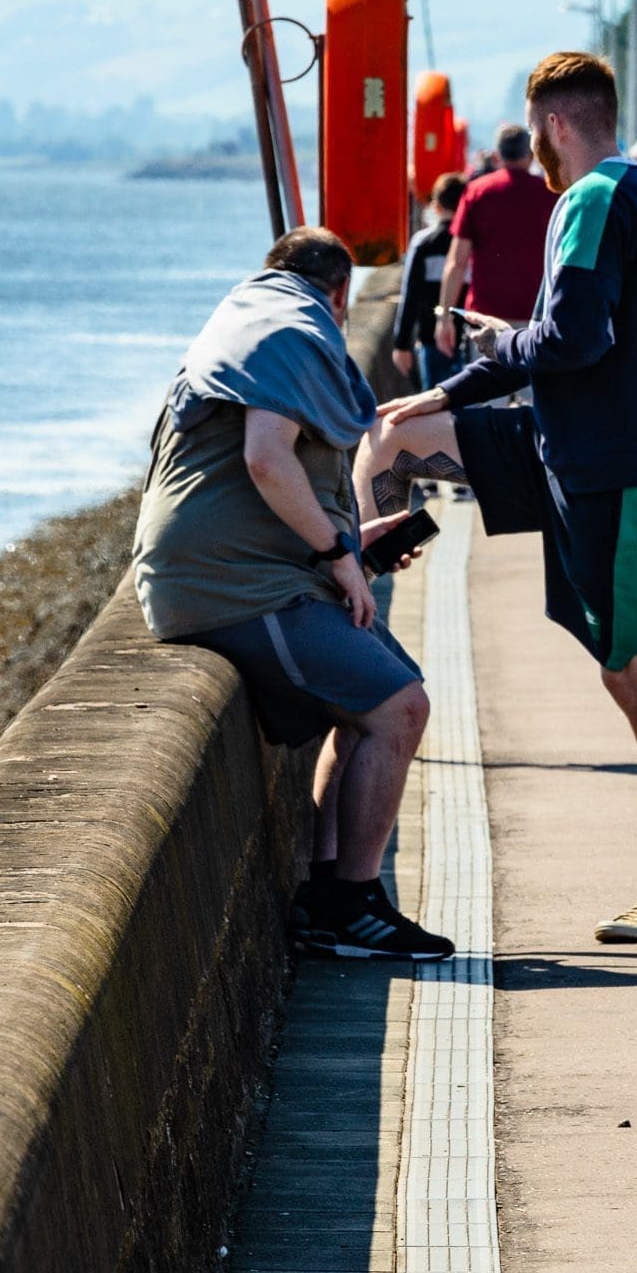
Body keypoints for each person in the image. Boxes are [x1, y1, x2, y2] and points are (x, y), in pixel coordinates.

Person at [357, 51, 637, 942]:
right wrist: (508, 346)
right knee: (391, 439)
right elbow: (579, 336)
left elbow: (575, 338)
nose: (541, 163)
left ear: (555, 124)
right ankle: (357, 577)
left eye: (540, 137)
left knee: (633, 669)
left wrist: (463, 379)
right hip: (573, 449)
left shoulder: (593, 198)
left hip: (614, 470)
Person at [131, 226, 451, 961]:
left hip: (239, 570)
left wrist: (353, 543)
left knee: (376, 701)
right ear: (339, 295)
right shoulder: (288, 329)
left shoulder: (251, 316)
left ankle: (330, 893)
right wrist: (337, 551)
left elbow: (274, 475)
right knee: (402, 707)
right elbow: (268, 459)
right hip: (231, 584)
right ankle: (353, 907)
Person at [435, 122, 555, 371]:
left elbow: (457, 262)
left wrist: (444, 316)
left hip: (485, 316)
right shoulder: (550, 193)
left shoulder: (477, 192)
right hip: (536, 317)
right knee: (534, 404)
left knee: (484, 398)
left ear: (497, 155)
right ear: (531, 154)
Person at [394, 171, 467, 390]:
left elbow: (410, 295)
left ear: (436, 206)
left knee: (435, 401)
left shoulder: (423, 243)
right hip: (469, 334)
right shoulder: (472, 241)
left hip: (430, 335)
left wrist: (401, 343)